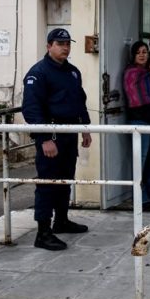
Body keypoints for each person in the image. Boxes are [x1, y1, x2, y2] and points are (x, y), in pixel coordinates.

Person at [22, 28, 92, 251]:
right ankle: (43, 233)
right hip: (50, 135)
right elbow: (31, 109)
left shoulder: (72, 72)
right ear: (49, 46)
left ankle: (61, 221)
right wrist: (44, 138)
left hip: (69, 133)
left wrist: (86, 128)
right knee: (47, 183)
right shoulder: (38, 73)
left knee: (65, 179)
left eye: (67, 43)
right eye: (60, 44)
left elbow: (80, 102)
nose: (65, 47)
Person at [123, 40, 150, 209]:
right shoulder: (131, 73)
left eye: (145, 52)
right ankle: (140, 196)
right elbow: (135, 99)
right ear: (133, 55)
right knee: (140, 158)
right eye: (138, 52)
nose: (142, 55)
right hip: (140, 120)